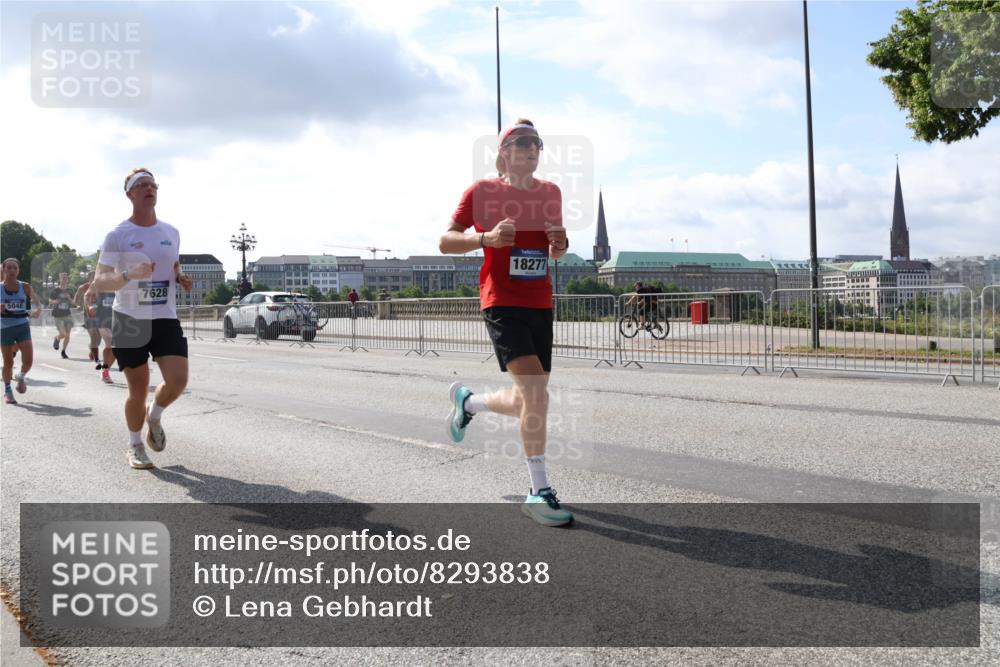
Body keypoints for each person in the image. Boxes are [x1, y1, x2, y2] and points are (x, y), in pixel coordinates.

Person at [439, 119, 572, 527]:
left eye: (537, 143)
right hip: (501, 301)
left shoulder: (550, 193)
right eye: (522, 142)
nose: (532, 149)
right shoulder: (482, 192)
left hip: (539, 302)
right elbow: (446, 241)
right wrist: (486, 239)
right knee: (537, 395)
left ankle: (469, 402)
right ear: (504, 153)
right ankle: (538, 491)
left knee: (526, 400)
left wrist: (560, 243)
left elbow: (558, 253)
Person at [92, 168, 193, 469]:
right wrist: (128, 274)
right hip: (129, 318)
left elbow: (173, 266)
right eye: (142, 185)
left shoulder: (171, 232)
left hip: (164, 316)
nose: (150, 188)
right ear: (130, 194)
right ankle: (135, 445)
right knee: (137, 389)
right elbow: (100, 281)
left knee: (178, 380)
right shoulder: (118, 235)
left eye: (153, 184)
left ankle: (155, 416)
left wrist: (181, 277)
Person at [1, 258, 42, 404]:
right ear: (4, 269)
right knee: (8, 362)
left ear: (18, 271)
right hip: (5, 328)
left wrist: (37, 310)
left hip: (22, 326)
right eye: (9, 267)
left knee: (28, 361)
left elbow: (37, 302)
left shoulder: (25, 287)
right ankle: (7, 391)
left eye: (15, 268)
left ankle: (21, 376)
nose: (12, 270)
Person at [74, 271, 101, 363]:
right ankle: (96, 357)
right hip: (88, 315)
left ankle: (92, 350)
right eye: (92, 277)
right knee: (93, 335)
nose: (94, 279)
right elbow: (75, 300)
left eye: (96, 277)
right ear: (88, 278)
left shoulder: (100, 286)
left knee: (99, 338)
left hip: (99, 315)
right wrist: (78, 305)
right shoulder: (83, 287)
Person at [49, 272, 75, 359]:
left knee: (67, 335)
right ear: (59, 279)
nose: (64, 279)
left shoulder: (70, 290)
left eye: (65, 278)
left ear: (67, 280)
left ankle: (63, 351)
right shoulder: (55, 290)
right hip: (58, 315)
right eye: (62, 278)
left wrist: (69, 298)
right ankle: (57, 338)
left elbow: (73, 303)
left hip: (67, 315)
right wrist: (55, 301)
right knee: (63, 334)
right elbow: (50, 301)